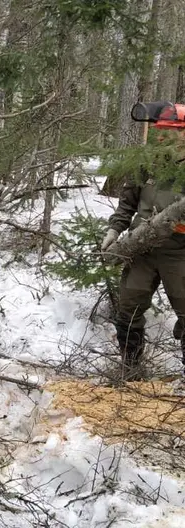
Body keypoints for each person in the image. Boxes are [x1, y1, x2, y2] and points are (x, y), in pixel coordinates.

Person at [101, 128, 185, 380]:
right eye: (161, 130)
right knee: (128, 311)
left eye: (175, 131)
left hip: (180, 253)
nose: (165, 137)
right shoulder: (145, 164)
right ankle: (131, 369)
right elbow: (127, 204)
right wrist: (114, 229)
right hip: (141, 250)